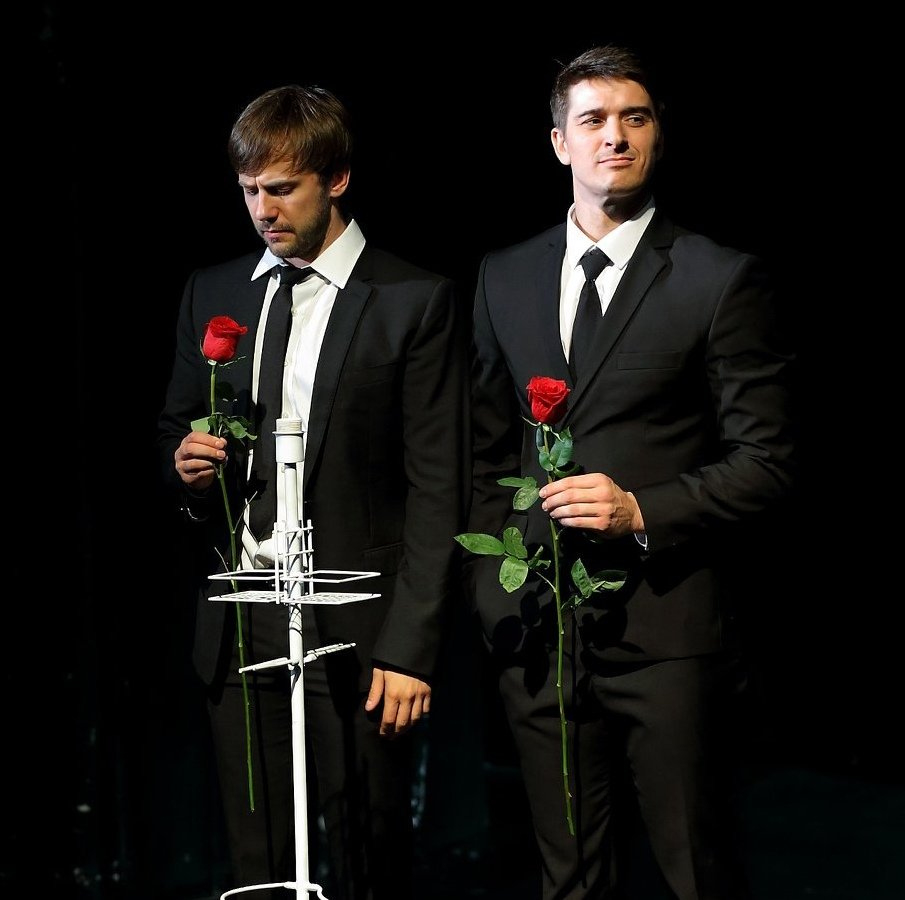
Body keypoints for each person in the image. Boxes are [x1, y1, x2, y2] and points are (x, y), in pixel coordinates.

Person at [464, 45, 796, 899]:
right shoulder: (504, 275)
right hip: (540, 635)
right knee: (568, 877)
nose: (614, 136)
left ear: (656, 136)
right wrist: (494, 589)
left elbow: (766, 463)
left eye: (634, 118)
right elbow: (483, 452)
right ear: (559, 142)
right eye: (593, 120)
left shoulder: (718, 277)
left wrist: (640, 509)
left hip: (668, 635)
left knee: (695, 872)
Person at [156, 84, 468, 900]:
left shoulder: (413, 300)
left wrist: (409, 648)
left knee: (365, 854)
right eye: (248, 190)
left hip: (357, 619)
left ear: (336, 179)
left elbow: (439, 486)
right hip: (241, 608)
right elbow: (174, 431)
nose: (262, 210)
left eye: (282, 188)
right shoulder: (215, 291)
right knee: (258, 863)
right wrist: (186, 467)